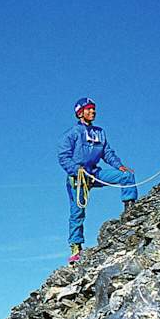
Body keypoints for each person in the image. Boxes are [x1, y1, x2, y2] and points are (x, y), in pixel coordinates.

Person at [57, 98, 136, 264]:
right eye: (89, 109)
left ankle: (130, 211)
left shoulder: (100, 132)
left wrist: (119, 166)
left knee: (127, 176)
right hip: (78, 178)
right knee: (77, 212)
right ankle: (76, 247)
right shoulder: (72, 133)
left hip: (94, 173)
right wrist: (76, 170)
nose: (93, 112)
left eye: (93, 109)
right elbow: (63, 157)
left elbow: (107, 153)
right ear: (80, 113)